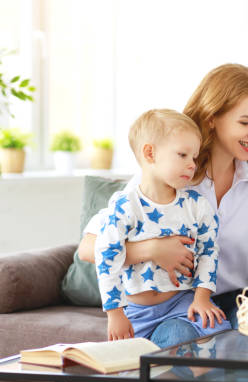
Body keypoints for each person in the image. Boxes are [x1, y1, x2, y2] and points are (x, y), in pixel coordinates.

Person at [79, 64, 248, 348]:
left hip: (235, 298)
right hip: (176, 303)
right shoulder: (171, 174)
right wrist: (151, 250)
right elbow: (89, 247)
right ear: (213, 118)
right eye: (246, 122)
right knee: (180, 337)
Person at [95, 108, 231, 344]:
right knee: (128, 373)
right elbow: (106, 258)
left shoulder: (197, 206)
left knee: (222, 335)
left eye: (194, 157)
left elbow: (209, 251)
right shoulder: (124, 206)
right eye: (182, 155)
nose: (192, 165)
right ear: (150, 153)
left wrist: (202, 297)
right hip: (136, 310)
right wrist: (115, 313)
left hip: (182, 302)